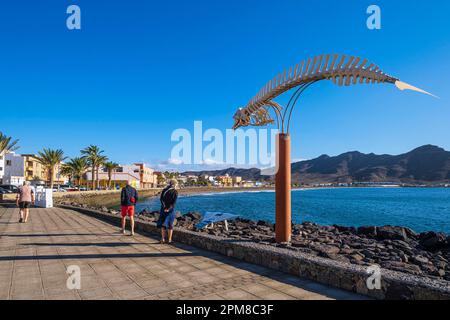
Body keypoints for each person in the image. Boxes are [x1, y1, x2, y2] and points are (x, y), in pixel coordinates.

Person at [157, 179, 179, 244]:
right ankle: (169, 240)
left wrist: (164, 207)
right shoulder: (175, 192)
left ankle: (163, 239)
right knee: (170, 225)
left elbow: (161, 199)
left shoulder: (164, 190)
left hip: (163, 209)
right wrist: (168, 208)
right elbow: (173, 203)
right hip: (170, 210)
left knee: (163, 224)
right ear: (174, 184)